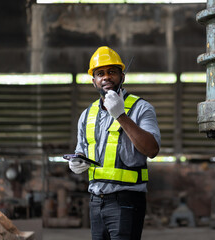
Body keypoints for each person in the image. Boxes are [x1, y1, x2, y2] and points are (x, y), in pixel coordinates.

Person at [69, 46, 161, 240]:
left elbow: (152, 149)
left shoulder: (141, 108)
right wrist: (77, 162)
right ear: (93, 80)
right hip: (96, 201)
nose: (106, 77)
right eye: (100, 73)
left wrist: (121, 115)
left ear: (122, 77)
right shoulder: (87, 115)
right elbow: (81, 151)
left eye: (112, 72)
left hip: (127, 201)